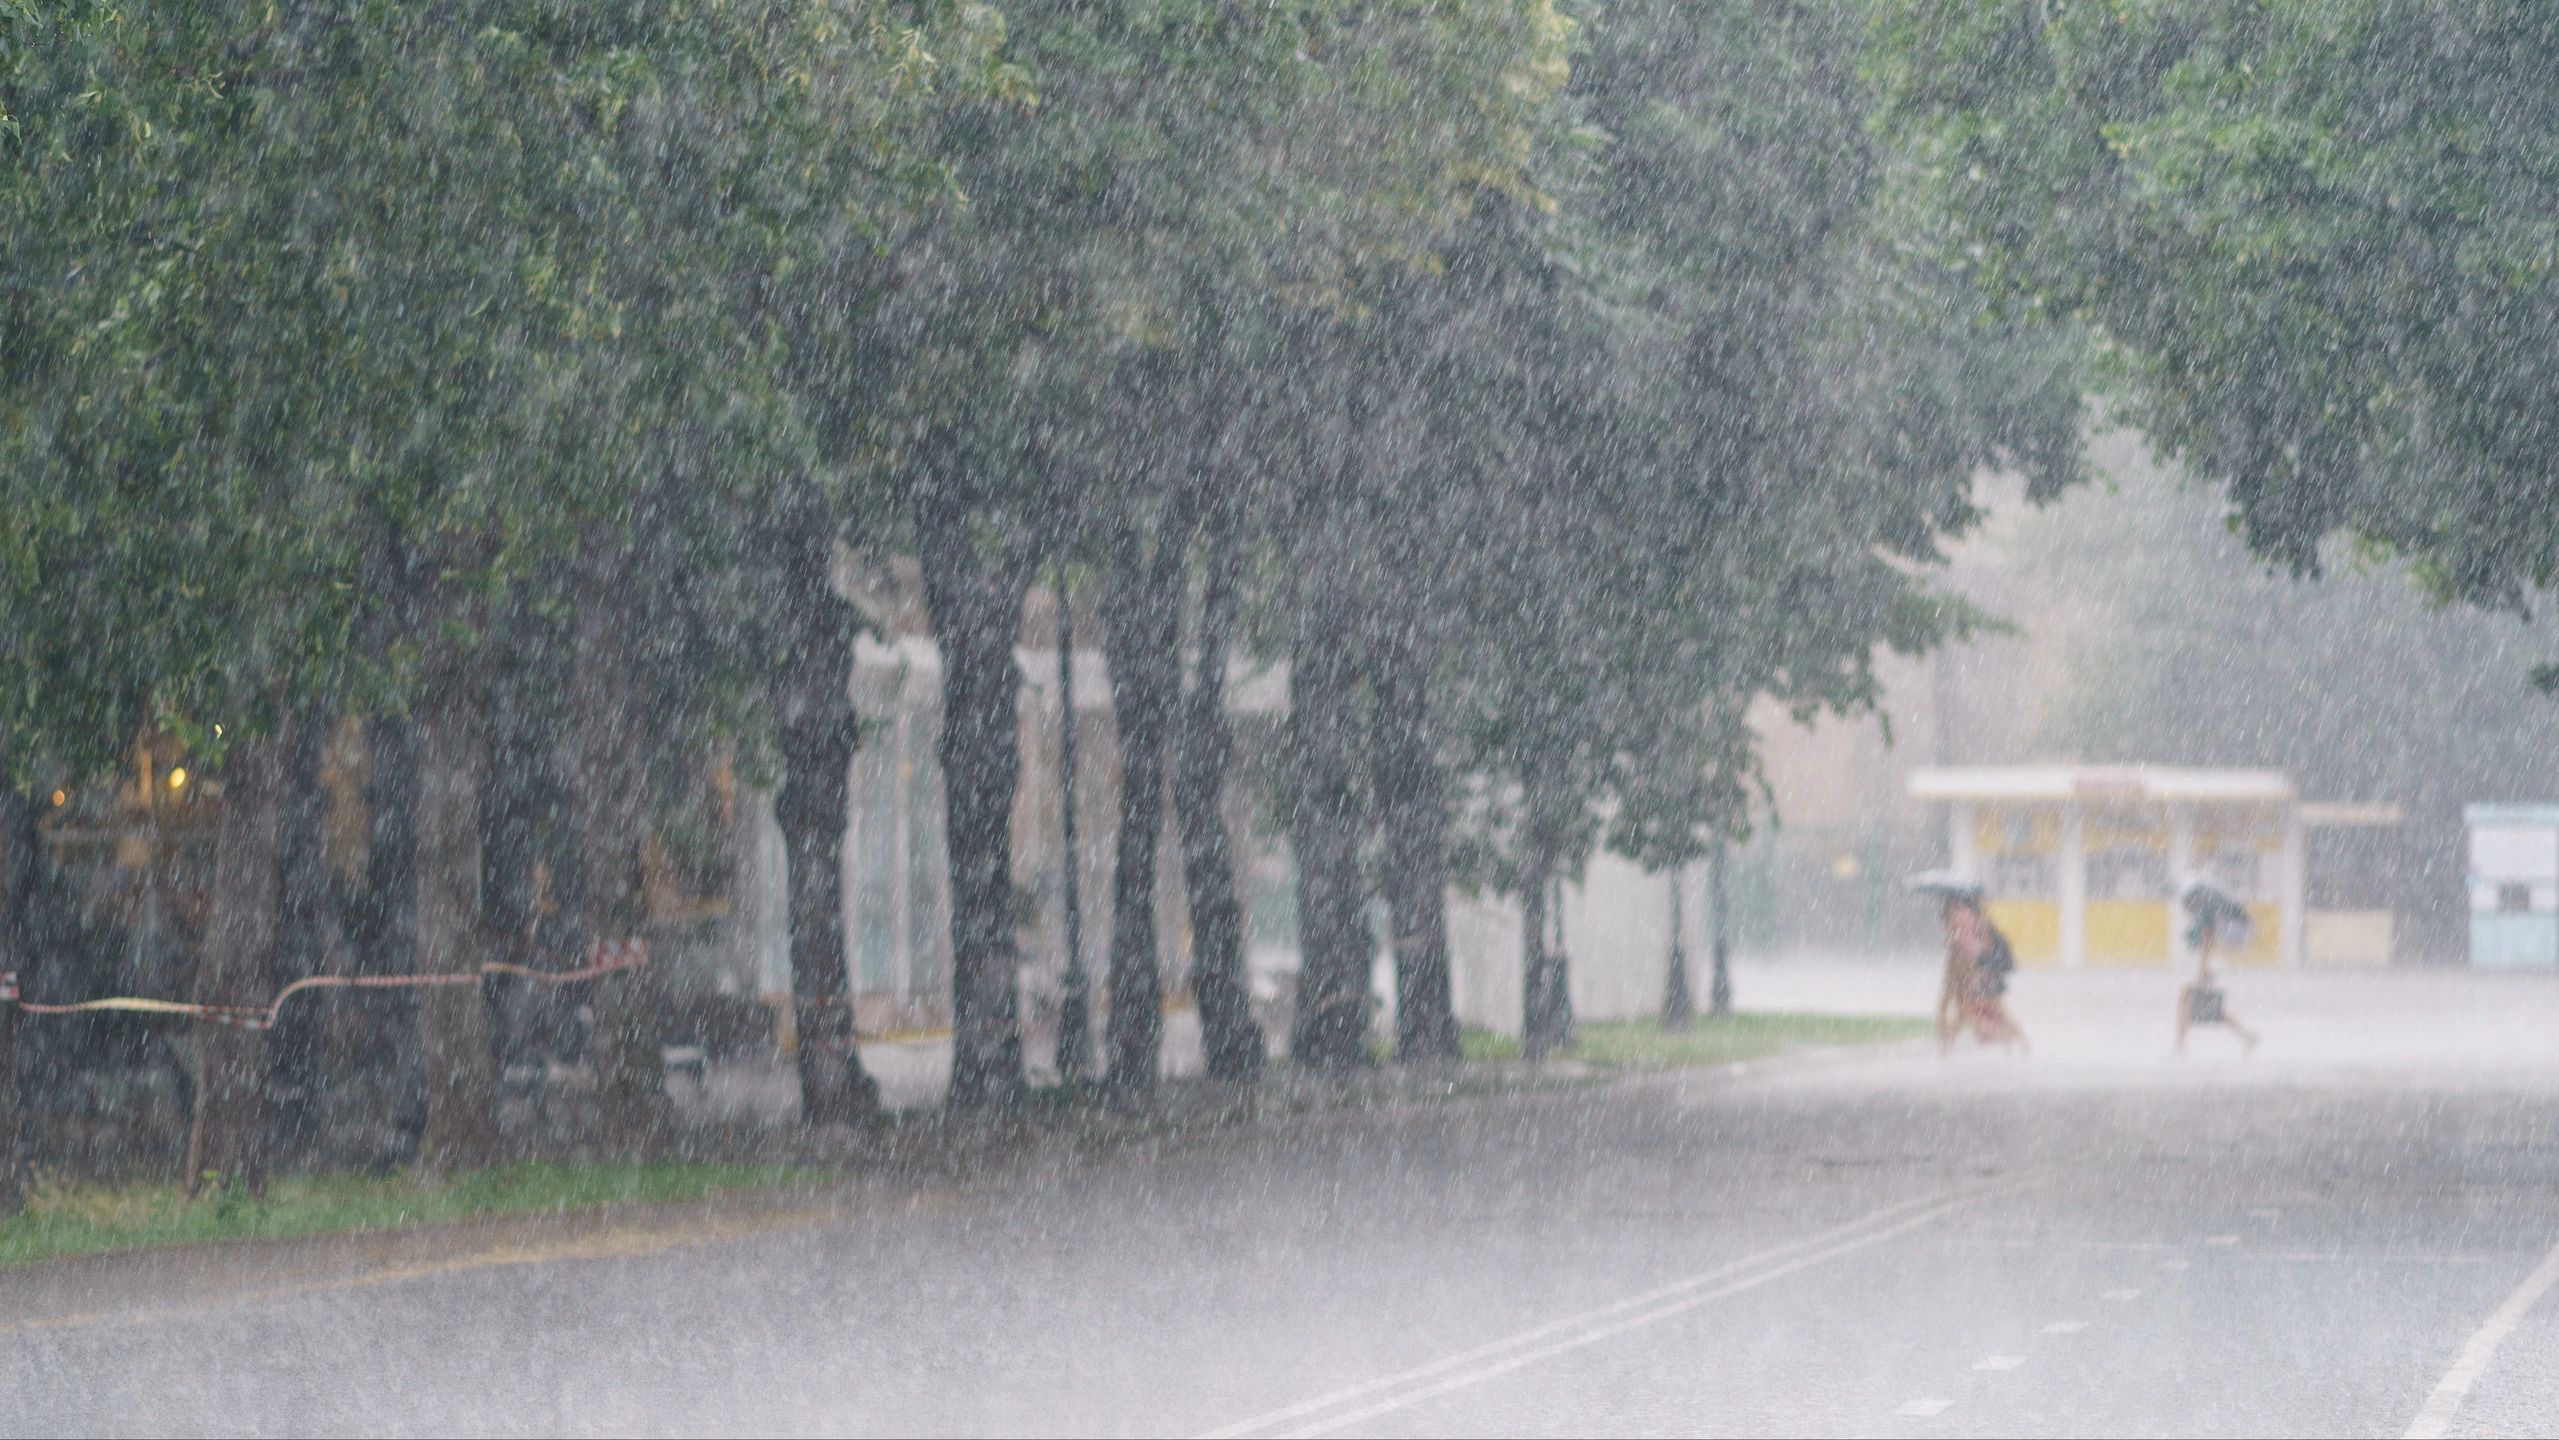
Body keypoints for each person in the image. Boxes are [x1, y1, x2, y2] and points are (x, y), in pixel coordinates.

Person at [1937, 893, 2028, 1054]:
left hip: (1973, 967)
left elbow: (1982, 947)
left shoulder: (1971, 919)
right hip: (1975, 967)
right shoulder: (1973, 918)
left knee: (1971, 1011)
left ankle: (2007, 1037)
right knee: (1964, 1011)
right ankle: (1945, 1047)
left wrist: (1980, 968)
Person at [2176, 888, 2260, 1056]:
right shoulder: (2199, 915)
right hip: (2198, 962)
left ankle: (2180, 1046)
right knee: (2212, 1009)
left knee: (2186, 1001)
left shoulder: (2205, 916)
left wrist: (2203, 967)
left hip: (2200, 963)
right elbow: (2198, 937)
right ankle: (2246, 1035)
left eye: (2187, 901)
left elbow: (2207, 940)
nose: (2185, 904)